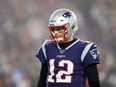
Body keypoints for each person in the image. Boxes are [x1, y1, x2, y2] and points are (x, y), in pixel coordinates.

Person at [36, 8, 101, 87]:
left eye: (59, 29)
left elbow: (94, 82)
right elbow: (42, 78)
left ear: (71, 27)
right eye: (54, 29)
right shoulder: (47, 47)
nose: (55, 33)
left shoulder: (85, 48)